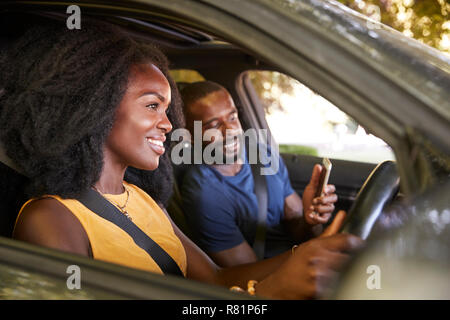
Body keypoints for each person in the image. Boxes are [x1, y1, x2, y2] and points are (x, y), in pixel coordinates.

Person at [0, 20, 363, 299]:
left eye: (167, 107)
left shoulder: (141, 199)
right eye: (152, 105)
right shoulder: (49, 220)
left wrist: (307, 255)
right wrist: (265, 295)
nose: (169, 123)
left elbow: (218, 281)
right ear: (96, 110)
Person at [180, 81, 338, 267]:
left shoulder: (262, 155)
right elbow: (249, 274)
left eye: (232, 118)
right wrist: (316, 250)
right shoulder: (204, 193)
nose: (231, 130)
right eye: (214, 125)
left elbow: (296, 226)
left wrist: (310, 219)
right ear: (189, 135)